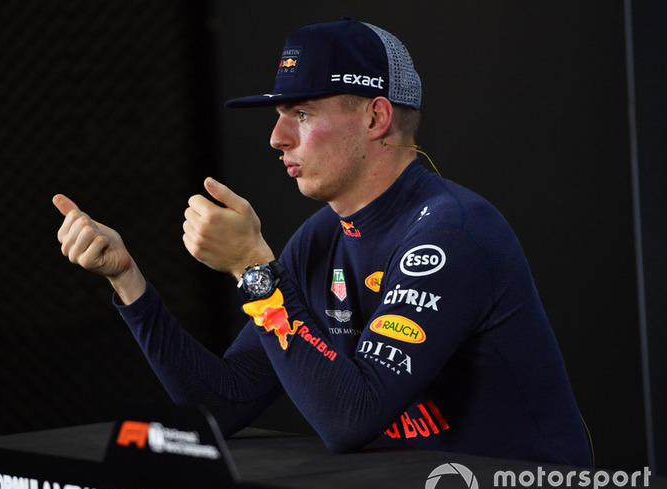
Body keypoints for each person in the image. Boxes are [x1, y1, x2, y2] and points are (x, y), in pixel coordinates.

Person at [54, 19, 591, 466]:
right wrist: (127, 279)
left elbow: (350, 420)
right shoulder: (322, 238)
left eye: (303, 114)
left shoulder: (452, 233)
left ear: (376, 117)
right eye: (279, 115)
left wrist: (252, 268)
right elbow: (222, 402)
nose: (276, 137)